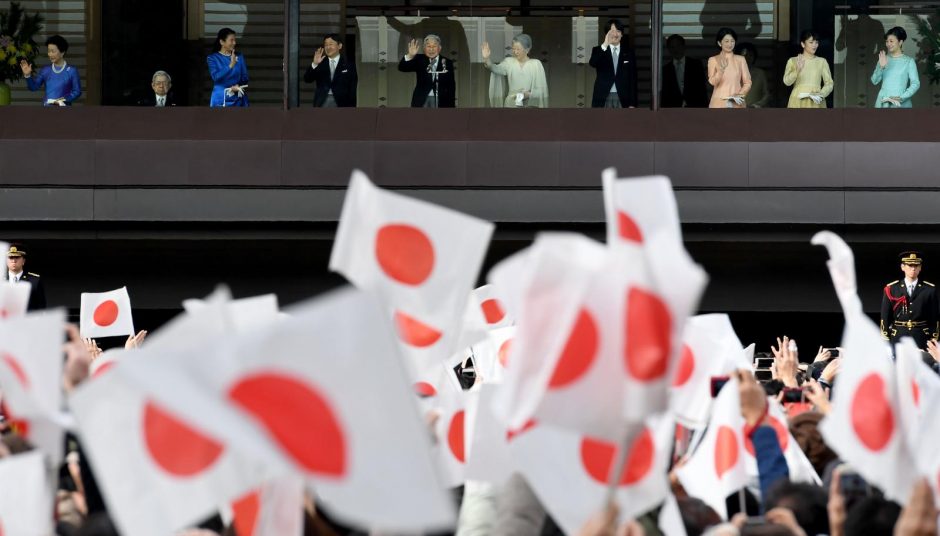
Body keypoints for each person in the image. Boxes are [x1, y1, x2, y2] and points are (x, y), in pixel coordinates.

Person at [880, 251, 938, 349]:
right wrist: (885, 336)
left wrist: (933, 337)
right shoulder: (891, 288)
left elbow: (934, 317)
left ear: (920, 268)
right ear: (902, 267)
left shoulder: (929, 289)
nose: (913, 268)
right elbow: (885, 315)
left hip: (921, 336)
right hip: (898, 335)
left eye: (916, 265)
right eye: (910, 265)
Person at [481, 34, 549, 108]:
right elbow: (495, 68)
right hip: (510, 105)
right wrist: (487, 59)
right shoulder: (509, 62)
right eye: (513, 49)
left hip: (529, 106)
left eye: (518, 49)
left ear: (527, 49)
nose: (515, 52)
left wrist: (528, 95)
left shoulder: (535, 64)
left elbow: (541, 91)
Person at [19, 35, 82, 106]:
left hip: (65, 112)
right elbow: (33, 87)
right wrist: (28, 75)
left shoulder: (71, 71)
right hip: (47, 111)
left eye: (53, 51)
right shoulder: (45, 70)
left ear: (62, 52)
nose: (50, 54)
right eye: (49, 51)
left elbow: (77, 92)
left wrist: (62, 100)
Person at [588, 19, 637, 109]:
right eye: (611, 31)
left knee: (622, 122)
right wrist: (605, 44)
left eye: (618, 31)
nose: (615, 34)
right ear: (606, 34)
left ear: (622, 34)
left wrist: (632, 103)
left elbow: (632, 78)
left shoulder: (629, 52)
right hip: (603, 95)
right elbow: (592, 63)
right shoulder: (599, 50)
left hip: (623, 95)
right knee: (603, 122)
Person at [398, 35, 456, 108]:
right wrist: (410, 55)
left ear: (439, 48)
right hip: (421, 98)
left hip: (441, 99)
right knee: (420, 118)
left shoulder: (447, 62)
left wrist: (452, 105)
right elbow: (402, 68)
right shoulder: (419, 59)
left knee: (439, 119)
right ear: (424, 48)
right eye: (428, 46)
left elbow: (451, 85)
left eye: (434, 46)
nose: (431, 49)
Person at [871, 26, 920, 108]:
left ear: (900, 42)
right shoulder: (883, 58)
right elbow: (874, 81)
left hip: (901, 102)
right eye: (887, 41)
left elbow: (915, 83)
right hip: (883, 101)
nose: (888, 44)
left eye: (891, 41)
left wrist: (902, 97)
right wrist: (881, 67)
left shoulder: (908, 61)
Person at [783, 30, 834, 109]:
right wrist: (797, 70)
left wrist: (820, 94)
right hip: (797, 99)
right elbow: (787, 82)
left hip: (816, 100)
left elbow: (829, 83)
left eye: (816, 42)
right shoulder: (793, 60)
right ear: (803, 44)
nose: (814, 45)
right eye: (811, 42)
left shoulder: (822, 61)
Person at [305, 34, 357, 108]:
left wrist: (351, 108)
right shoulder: (320, 63)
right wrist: (315, 64)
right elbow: (307, 79)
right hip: (322, 102)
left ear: (339, 46)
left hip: (342, 103)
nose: (328, 47)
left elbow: (352, 88)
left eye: (331, 44)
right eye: (326, 45)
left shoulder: (349, 65)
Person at [707, 27, 751, 109]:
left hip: (737, 104)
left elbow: (747, 82)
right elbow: (712, 82)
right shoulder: (713, 60)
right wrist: (721, 71)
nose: (730, 44)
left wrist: (739, 95)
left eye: (732, 41)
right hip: (718, 104)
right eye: (726, 41)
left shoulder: (741, 59)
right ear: (720, 43)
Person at [661, 34, 708, 108]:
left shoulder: (696, 65)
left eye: (678, 46)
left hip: (695, 108)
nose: (675, 49)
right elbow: (664, 95)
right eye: (672, 47)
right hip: (673, 111)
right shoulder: (665, 70)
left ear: (683, 46)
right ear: (669, 49)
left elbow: (702, 89)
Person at [207, 27, 249, 107]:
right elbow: (215, 77)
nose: (234, 43)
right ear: (222, 42)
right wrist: (230, 65)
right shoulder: (212, 58)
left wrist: (238, 86)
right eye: (231, 40)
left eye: (235, 40)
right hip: (220, 99)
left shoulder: (239, 57)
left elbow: (245, 78)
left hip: (238, 99)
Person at [5, 244, 46, 311]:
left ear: (23, 261)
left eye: (17, 257)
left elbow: (41, 308)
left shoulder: (34, 281)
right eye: (11, 257)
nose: (14, 261)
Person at [736, 42, 770, 108]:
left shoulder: (760, 73)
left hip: (756, 112)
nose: (748, 58)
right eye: (744, 55)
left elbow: (766, 94)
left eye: (751, 55)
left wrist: (757, 105)